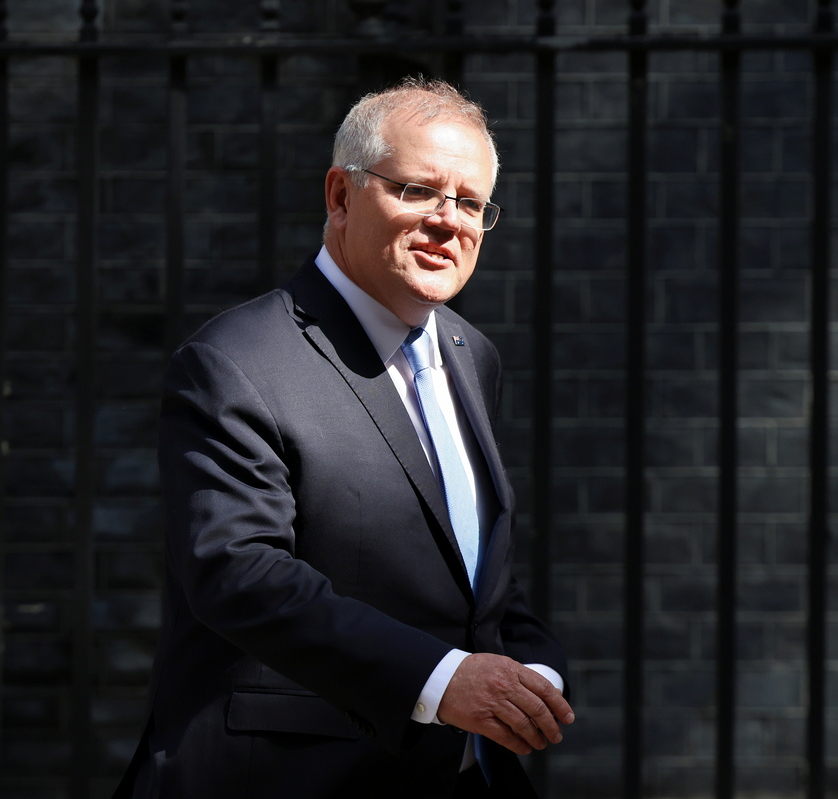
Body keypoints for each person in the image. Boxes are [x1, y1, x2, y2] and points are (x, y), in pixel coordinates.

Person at [114, 76, 573, 799]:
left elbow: (472, 576)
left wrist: (534, 672)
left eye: (471, 204)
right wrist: (440, 679)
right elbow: (239, 572)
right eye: (419, 191)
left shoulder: (469, 353)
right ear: (340, 195)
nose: (448, 222)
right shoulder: (236, 360)